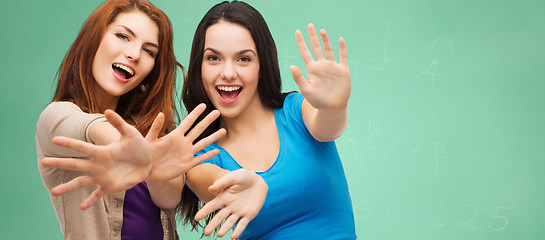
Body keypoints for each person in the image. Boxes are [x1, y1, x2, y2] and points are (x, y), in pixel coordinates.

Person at [35, 0, 266, 239]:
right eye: (123, 36)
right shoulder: (56, 117)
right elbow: (91, 128)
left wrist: (154, 168)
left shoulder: (153, 127)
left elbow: (168, 197)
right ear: (94, 38)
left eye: (149, 51)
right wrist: (129, 149)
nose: (134, 54)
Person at [179, 1, 356, 239]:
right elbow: (209, 180)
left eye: (243, 59)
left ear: (262, 65)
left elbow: (327, 126)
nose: (228, 73)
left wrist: (335, 107)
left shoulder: (295, 112)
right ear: (199, 67)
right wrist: (237, 184)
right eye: (213, 58)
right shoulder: (200, 151)